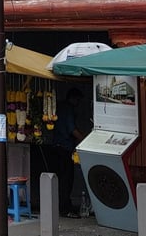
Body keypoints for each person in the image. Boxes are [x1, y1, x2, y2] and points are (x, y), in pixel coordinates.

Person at [49, 87, 86, 217]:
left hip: (56, 146)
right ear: (74, 99)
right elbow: (71, 129)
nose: (78, 104)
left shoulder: (59, 107)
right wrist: (84, 138)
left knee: (60, 178)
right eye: (78, 100)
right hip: (65, 148)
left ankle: (60, 206)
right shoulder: (69, 109)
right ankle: (65, 208)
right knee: (67, 179)